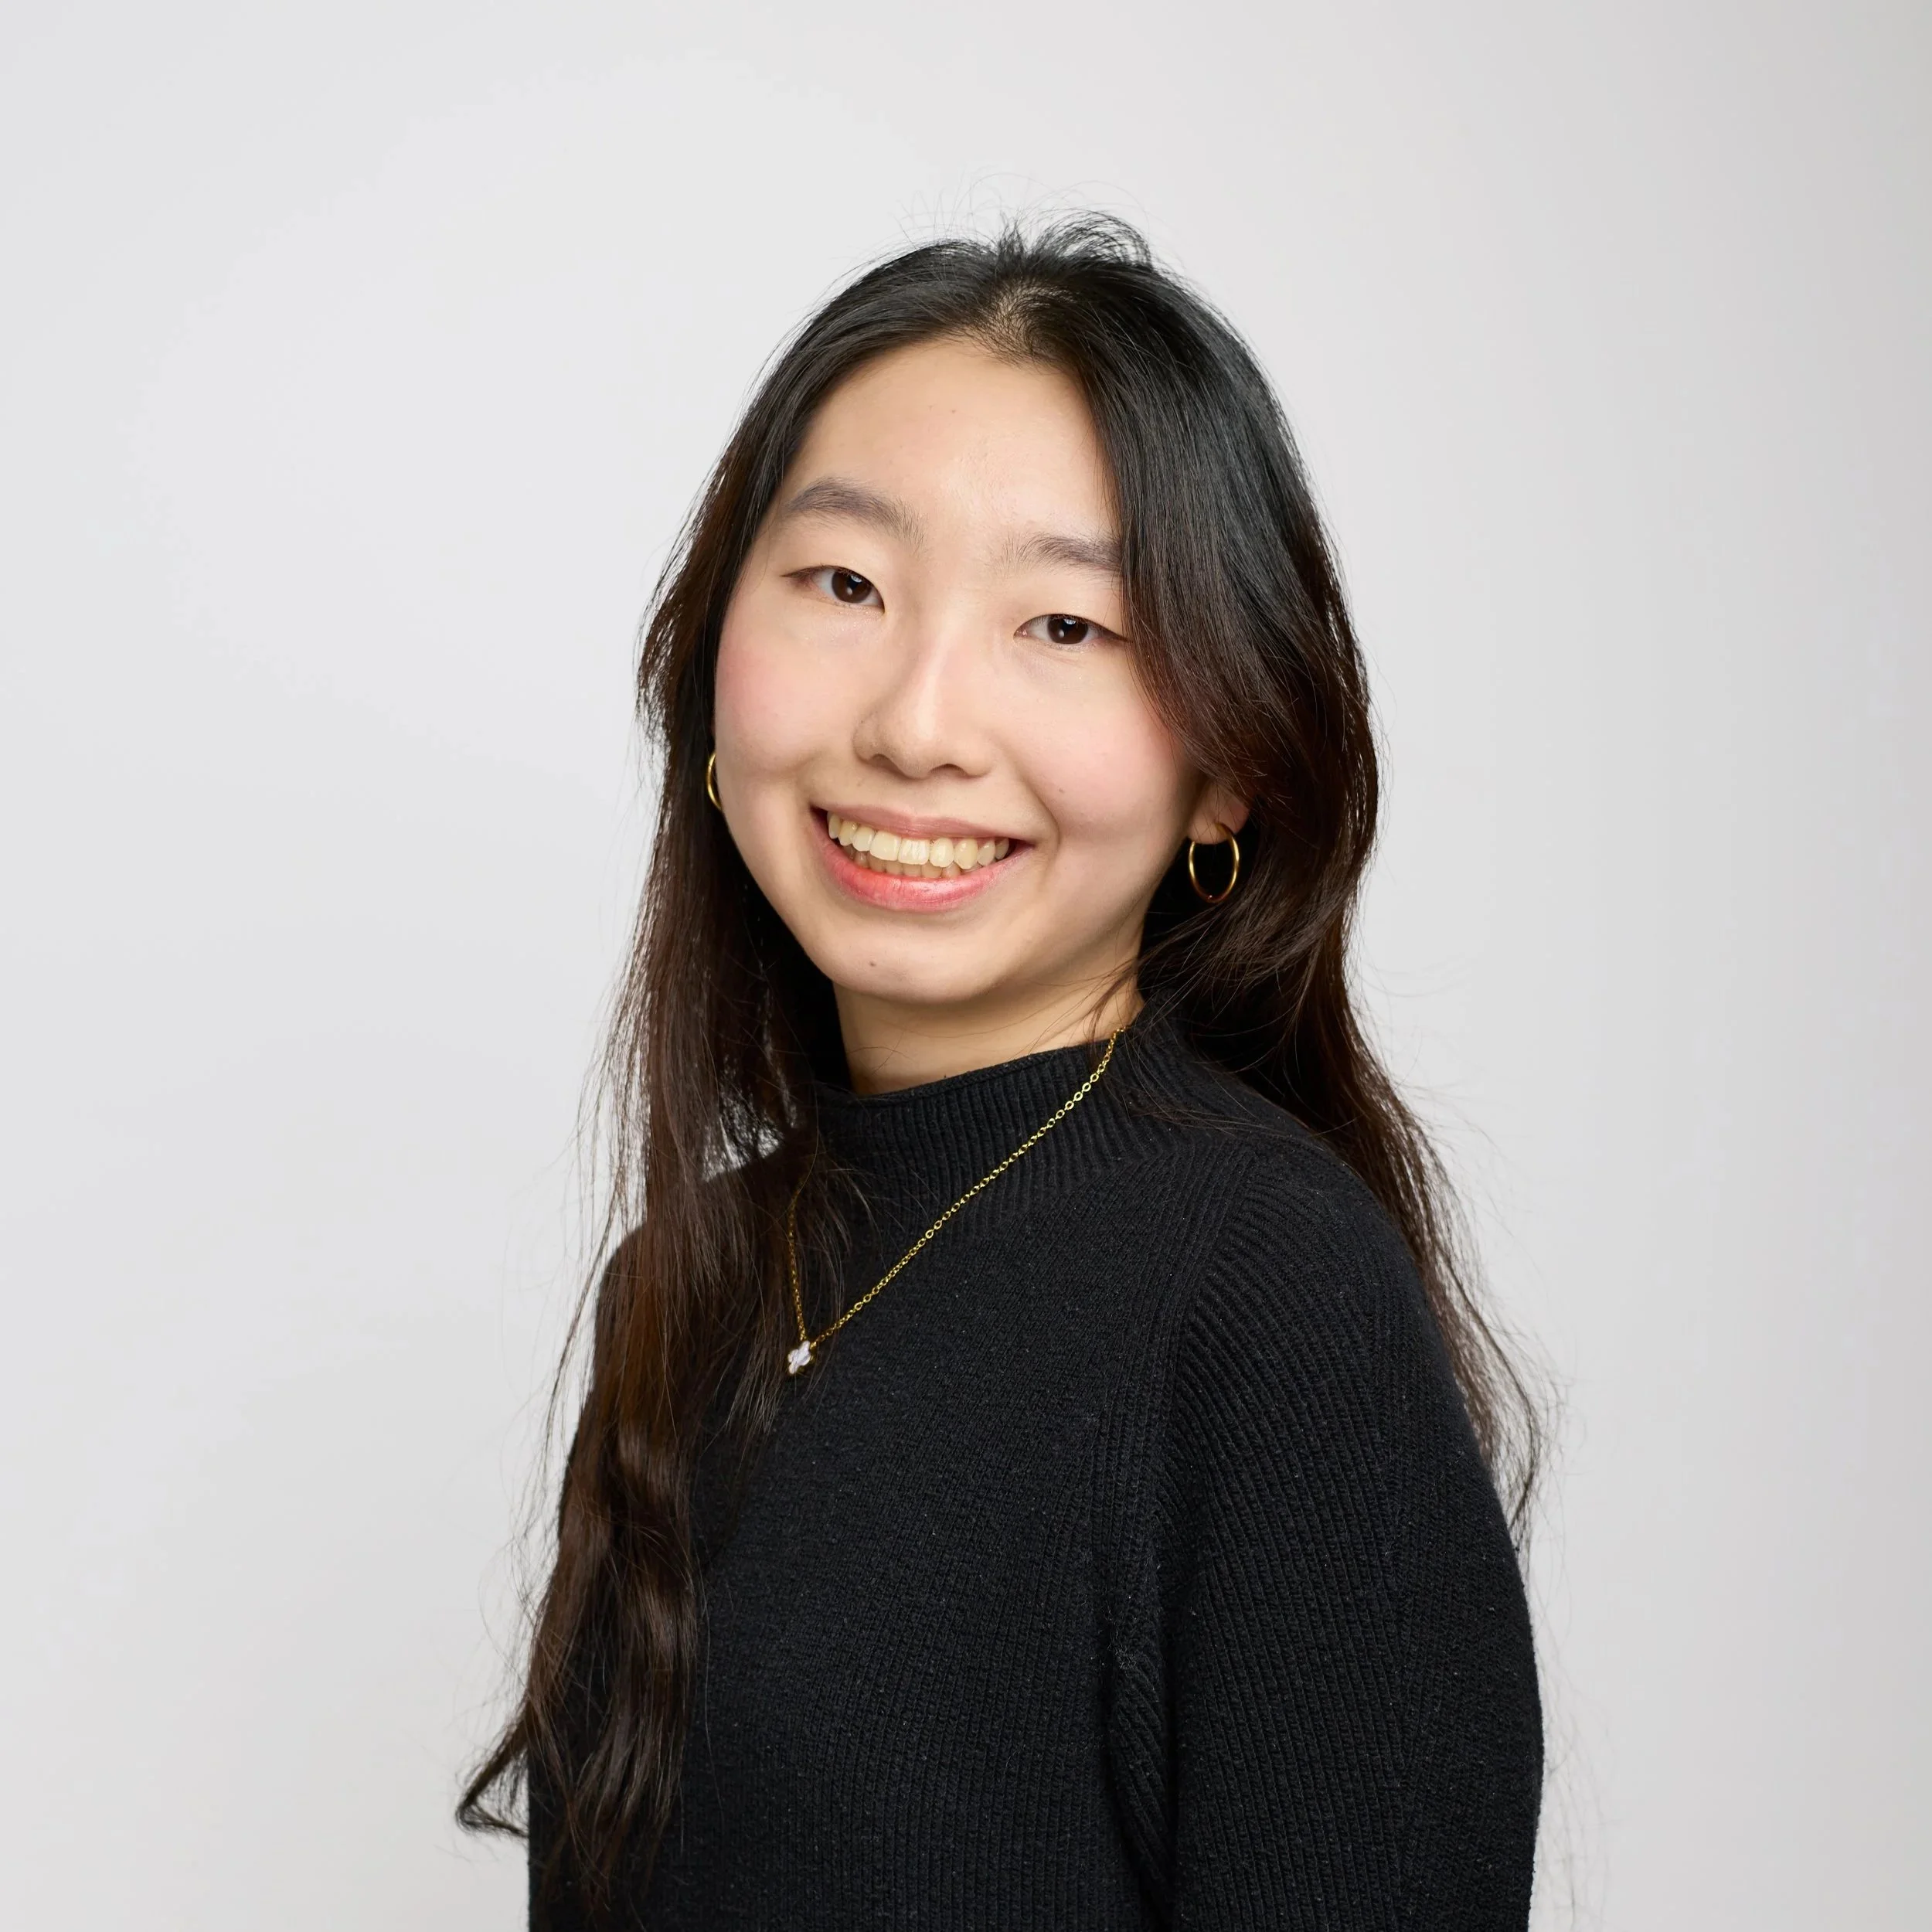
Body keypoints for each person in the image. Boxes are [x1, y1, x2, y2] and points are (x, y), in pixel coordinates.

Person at [462, 215, 1545, 1929]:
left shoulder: (1265, 1300)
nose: (915, 722)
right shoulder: (681, 1287)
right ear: (704, 661)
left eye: (1062, 625)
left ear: (1230, 768)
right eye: (843, 585)